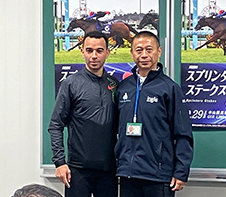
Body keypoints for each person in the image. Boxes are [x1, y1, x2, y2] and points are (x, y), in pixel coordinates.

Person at [114, 31, 194, 197]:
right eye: (139, 50)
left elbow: (183, 133)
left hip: (158, 175)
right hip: (128, 174)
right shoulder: (123, 88)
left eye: (149, 49)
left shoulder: (169, 89)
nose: (144, 55)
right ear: (132, 53)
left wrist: (181, 171)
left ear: (159, 51)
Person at [48, 31, 119, 197]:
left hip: (108, 170)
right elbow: (55, 125)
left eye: (99, 51)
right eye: (89, 50)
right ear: (82, 52)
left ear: (107, 53)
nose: (94, 56)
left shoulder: (115, 84)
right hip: (77, 171)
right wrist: (59, 162)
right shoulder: (70, 84)